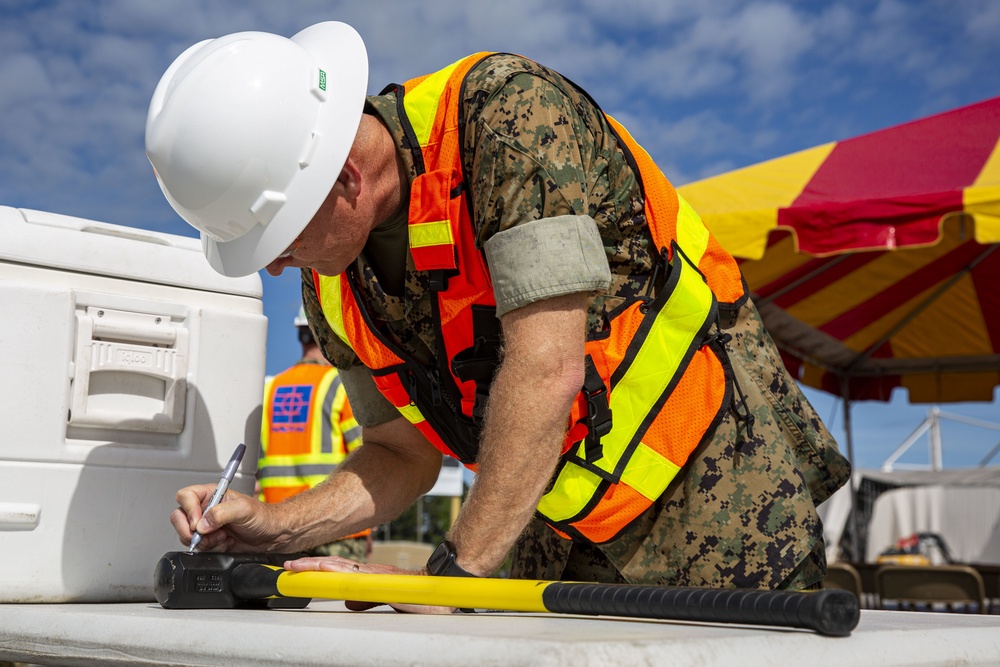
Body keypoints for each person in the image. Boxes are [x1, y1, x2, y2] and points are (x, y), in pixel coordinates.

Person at [148, 21, 850, 605]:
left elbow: (548, 366)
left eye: (282, 237)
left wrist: (446, 582)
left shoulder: (506, 116)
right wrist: (275, 528)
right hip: (550, 535)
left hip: (718, 506)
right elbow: (401, 453)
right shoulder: (331, 280)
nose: (275, 265)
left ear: (346, 179)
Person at [258, 306, 371, 562]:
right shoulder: (341, 385)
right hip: (337, 526)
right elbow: (370, 455)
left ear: (300, 334)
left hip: (277, 529)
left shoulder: (270, 389)